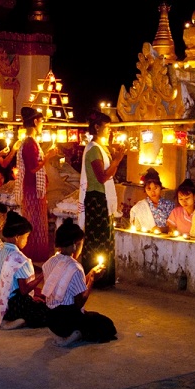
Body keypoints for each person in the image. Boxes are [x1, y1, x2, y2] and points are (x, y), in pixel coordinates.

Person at [43, 218, 117, 347]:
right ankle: (74, 334)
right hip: (67, 320)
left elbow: (67, 285)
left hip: (50, 318)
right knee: (106, 325)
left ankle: (64, 333)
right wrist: (92, 279)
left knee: (93, 317)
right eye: (81, 244)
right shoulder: (75, 267)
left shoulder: (51, 261)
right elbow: (78, 303)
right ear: (75, 245)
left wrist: (90, 274)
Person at [78, 110, 125, 286]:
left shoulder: (102, 148)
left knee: (106, 236)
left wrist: (116, 158)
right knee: (97, 238)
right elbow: (102, 177)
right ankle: (94, 277)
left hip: (102, 197)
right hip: (97, 197)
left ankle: (105, 276)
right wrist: (117, 160)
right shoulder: (92, 150)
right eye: (107, 127)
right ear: (97, 127)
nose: (109, 131)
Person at [0, 210, 48, 330]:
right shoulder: (19, 258)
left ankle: (11, 319)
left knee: (40, 297)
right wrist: (42, 275)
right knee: (47, 311)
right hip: (16, 305)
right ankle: (22, 320)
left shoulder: (0, 253)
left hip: (3, 304)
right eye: (26, 237)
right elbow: (24, 290)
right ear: (17, 237)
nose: (26, 241)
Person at [15, 107, 59, 263]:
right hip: (32, 189)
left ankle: (36, 253)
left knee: (37, 221)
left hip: (34, 188)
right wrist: (48, 156)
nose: (42, 125)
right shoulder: (29, 144)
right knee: (34, 222)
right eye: (41, 122)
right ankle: (33, 253)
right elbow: (33, 168)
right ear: (35, 121)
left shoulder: (32, 143)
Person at [130, 167, 174, 233]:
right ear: (145, 189)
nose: (153, 192)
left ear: (160, 187)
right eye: (149, 189)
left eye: (155, 188)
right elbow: (137, 228)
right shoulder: (140, 207)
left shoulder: (169, 205)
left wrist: (160, 229)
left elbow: (172, 227)